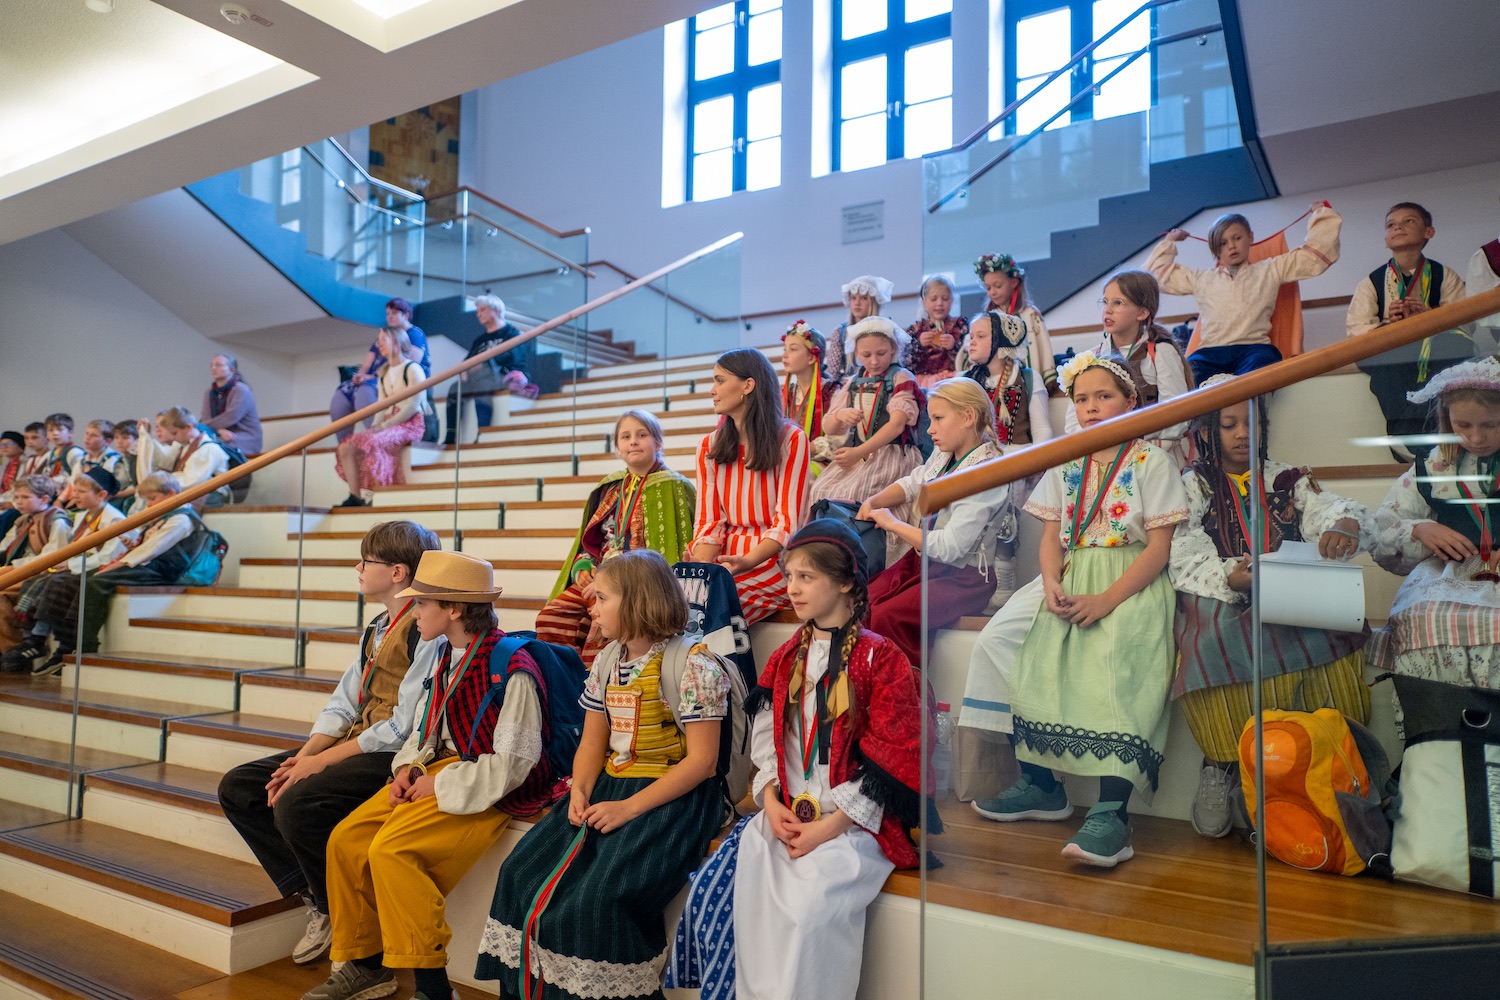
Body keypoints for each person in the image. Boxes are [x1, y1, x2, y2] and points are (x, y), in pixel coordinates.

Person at [665, 519, 924, 1000]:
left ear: (846, 582)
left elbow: (892, 759)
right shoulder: (786, 657)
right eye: (788, 577)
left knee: (809, 914)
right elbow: (768, 746)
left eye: (806, 577)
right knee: (733, 894)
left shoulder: (880, 659)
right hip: (786, 812)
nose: (792, 588)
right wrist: (769, 799)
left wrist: (827, 828)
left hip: (851, 826)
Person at [966, 352, 1188, 869]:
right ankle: (1042, 784)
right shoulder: (1068, 462)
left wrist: (1108, 600)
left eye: (1104, 396)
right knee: (1007, 645)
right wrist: (1049, 582)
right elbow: (1049, 539)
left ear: (1132, 402)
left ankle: (1114, 811)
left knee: (1121, 662)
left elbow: (1158, 548)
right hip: (1071, 575)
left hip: (1130, 580)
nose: (1091, 408)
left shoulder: (1150, 461)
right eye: (1082, 399)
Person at [307, 550, 562, 1000]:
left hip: (488, 783)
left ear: (455, 609)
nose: (415, 611)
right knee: (345, 841)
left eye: (422, 603)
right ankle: (364, 965)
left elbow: (514, 765)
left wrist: (438, 785)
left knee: (392, 851)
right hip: (440, 766)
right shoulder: (447, 654)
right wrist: (408, 766)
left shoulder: (511, 667)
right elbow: (427, 723)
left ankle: (433, 987)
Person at [477, 549, 729, 1000]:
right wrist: (581, 791)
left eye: (602, 598)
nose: (591, 608)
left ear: (637, 601)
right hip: (612, 784)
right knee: (518, 872)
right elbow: (593, 743)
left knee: (597, 901)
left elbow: (702, 763)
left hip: (672, 795)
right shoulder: (609, 660)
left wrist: (627, 807)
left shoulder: (693, 664)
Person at [218, 521, 441, 966]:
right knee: (241, 787)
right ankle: (318, 899)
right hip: (357, 740)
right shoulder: (378, 624)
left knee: (297, 804)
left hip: (393, 754)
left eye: (366, 561)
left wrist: (320, 764)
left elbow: (406, 726)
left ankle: (350, 922)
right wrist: (304, 756)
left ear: (398, 572)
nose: (357, 568)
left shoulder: (424, 627)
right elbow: (344, 703)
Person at [1168, 376, 1372, 837]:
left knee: (1320, 624)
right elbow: (1184, 548)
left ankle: (1327, 756)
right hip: (1226, 593)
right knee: (1216, 633)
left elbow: (1325, 510)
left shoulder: (1287, 477)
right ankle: (1221, 761)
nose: (1243, 433)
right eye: (1228, 424)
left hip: (1289, 589)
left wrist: (1341, 523)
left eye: (1252, 423)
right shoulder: (1193, 484)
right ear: (1206, 430)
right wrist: (1227, 576)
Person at [858, 378, 1016, 668]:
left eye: (938, 419)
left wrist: (892, 523)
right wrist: (875, 501)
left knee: (889, 615)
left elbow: (950, 548)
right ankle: (870, 688)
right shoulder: (946, 453)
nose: (930, 429)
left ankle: (906, 696)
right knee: (863, 600)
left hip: (964, 578)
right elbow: (914, 482)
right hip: (927, 566)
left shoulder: (986, 474)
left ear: (968, 417)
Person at [1370, 356, 1500, 697]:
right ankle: (1443, 720)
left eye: (1491, 425)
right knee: (1422, 617)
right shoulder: (1433, 466)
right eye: (1463, 425)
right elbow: (1380, 528)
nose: (1476, 437)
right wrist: (1418, 529)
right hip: (1449, 573)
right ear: (1447, 419)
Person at [535, 410, 695, 666]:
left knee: (598, 632)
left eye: (642, 435)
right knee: (551, 617)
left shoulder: (674, 486)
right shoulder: (611, 487)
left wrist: (607, 580)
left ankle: (597, 688)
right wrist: (584, 568)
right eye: (626, 436)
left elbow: (671, 552)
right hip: (599, 575)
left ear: (658, 443)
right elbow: (592, 540)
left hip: (636, 583)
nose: (633, 441)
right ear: (618, 448)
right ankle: (568, 681)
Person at [1150, 202, 1341, 382]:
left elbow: (1312, 257)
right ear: (1216, 249)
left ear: (1250, 237)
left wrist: (1321, 214)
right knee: (1188, 374)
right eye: (1223, 243)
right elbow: (1155, 275)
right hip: (1211, 351)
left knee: (1263, 366)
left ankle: (1249, 417)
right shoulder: (1202, 279)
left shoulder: (1270, 269)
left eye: (1237, 238)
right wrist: (1170, 241)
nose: (1231, 246)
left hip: (1254, 350)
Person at [690, 348, 811, 625]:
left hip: (775, 562)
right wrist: (700, 568)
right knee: (683, 603)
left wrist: (745, 562)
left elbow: (786, 524)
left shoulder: (791, 439)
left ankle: (715, 669)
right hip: (723, 561)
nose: (712, 390)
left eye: (720, 380)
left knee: (714, 608)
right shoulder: (708, 446)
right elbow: (708, 524)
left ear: (748, 385)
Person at [1347, 203, 1472, 459]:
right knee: (1388, 364)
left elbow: (1466, 320)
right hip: (1391, 346)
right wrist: (1390, 326)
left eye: (1409, 222)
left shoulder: (1443, 275)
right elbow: (1357, 329)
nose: (1398, 227)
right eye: (1391, 225)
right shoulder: (1372, 281)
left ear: (1429, 232)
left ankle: (1423, 433)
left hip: (1434, 344)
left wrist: (1429, 318)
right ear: (1386, 239)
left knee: (1456, 347)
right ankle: (1409, 436)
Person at [51, 472, 216, 656]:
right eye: (147, 500)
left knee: (95, 582)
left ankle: (86, 645)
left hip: (164, 570)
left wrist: (118, 564)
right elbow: (147, 545)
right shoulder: (167, 514)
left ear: (170, 493)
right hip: (150, 564)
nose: (149, 504)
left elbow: (153, 549)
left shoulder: (181, 519)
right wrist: (134, 545)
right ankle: (70, 636)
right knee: (86, 577)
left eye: (152, 498)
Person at [9, 468, 135, 677]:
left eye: (81, 492)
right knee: (40, 580)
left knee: (59, 583)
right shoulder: (83, 516)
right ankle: (34, 639)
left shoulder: (114, 519)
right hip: (79, 565)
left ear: (101, 495)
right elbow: (76, 547)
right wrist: (66, 561)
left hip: (100, 569)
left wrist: (71, 566)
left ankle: (64, 647)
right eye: (74, 491)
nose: (74, 496)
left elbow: (108, 556)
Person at [1064, 270, 1192, 458]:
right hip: (1102, 455)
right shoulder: (1090, 358)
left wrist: (1134, 449)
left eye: (1118, 303)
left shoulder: (1160, 352)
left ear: (1142, 312)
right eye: (1105, 302)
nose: (1108, 310)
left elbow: (1177, 417)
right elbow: (1073, 424)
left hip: (1151, 455)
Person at [808, 318, 923, 523]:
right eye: (866, 355)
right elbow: (828, 427)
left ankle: (867, 545)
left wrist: (859, 452)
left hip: (892, 454)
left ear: (893, 349)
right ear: (857, 354)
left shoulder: (901, 377)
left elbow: (897, 425)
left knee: (861, 491)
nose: (874, 361)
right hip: (860, 456)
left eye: (881, 353)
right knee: (821, 488)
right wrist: (840, 416)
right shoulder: (854, 381)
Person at [334, 326, 429, 508]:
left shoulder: (413, 369)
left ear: (397, 341)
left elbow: (413, 405)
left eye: (384, 339)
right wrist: (376, 426)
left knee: (373, 442)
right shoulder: (384, 373)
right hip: (389, 422)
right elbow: (381, 406)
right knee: (346, 446)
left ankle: (381, 493)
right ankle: (355, 496)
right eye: (379, 341)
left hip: (409, 424)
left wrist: (385, 426)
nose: (380, 345)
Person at [331, 298, 431, 443]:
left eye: (394, 313)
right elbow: (367, 364)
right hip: (378, 376)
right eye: (387, 313)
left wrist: (382, 426)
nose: (389, 316)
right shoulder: (382, 346)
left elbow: (409, 361)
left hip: (390, 382)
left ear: (406, 315)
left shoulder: (414, 336)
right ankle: (344, 442)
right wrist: (360, 375)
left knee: (365, 390)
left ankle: (376, 435)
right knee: (344, 390)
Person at [444, 294, 537, 444]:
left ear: (496, 310)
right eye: (477, 311)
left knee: (484, 377)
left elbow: (513, 357)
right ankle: (451, 435)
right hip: (480, 378)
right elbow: (467, 361)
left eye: (483, 310)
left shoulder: (511, 332)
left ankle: (483, 431)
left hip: (503, 376)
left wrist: (486, 362)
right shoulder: (480, 340)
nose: (478, 314)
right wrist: (464, 371)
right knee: (455, 388)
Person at [0, 475, 69, 670]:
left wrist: (15, 567)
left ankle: (12, 650)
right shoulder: (23, 521)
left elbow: (53, 557)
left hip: (41, 573)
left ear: (45, 499)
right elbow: (5, 548)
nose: (19, 501)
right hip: (19, 569)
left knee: (1, 593)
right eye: (17, 497)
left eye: (25, 497)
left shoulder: (57, 521)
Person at [961, 310, 1053, 448]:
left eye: (980, 336)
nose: (972, 342)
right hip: (981, 462)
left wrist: (1036, 465)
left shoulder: (1027, 378)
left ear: (1001, 340)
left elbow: (1042, 431)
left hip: (1019, 461)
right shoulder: (967, 381)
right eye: (971, 337)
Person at [974, 252, 1057, 393]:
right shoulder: (988, 319)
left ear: (1014, 282)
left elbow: (1042, 346)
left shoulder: (1030, 314)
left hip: (1028, 384)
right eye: (988, 288)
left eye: (998, 286)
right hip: (996, 385)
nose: (993, 292)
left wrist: (1048, 377)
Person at [137, 407, 231, 508]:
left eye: (174, 433)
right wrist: (148, 438)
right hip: (194, 491)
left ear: (188, 427)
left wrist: (160, 484)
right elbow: (166, 461)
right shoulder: (184, 445)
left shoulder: (209, 448)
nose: (173, 438)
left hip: (213, 496)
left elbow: (191, 481)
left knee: (162, 501)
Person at [780, 320, 834, 475]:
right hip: (790, 458)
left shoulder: (831, 392)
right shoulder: (785, 394)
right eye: (784, 349)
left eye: (793, 349)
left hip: (821, 462)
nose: (785, 354)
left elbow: (838, 441)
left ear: (811, 358)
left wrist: (806, 447)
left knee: (798, 475)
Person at [903, 275, 968, 388]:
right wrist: (919, 345)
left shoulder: (959, 325)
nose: (939, 303)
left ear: (952, 300)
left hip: (952, 381)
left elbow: (969, 355)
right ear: (924, 302)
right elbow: (906, 362)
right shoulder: (915, 330)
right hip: (923, 383)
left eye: (945, 298)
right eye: (933, 299)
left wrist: (955, 346)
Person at [830, 275, 895, 386]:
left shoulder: (886, 329)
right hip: (850, 387)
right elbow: (832, 371)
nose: (857, 303)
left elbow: (895, 362)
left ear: (874, 302)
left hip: (882, 385)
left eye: (864, 298)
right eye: (853, 298)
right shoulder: (840, 332)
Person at [201, 353, 264, 456]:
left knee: (208, 444)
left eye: (218, 365)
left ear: (232, 370)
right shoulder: (209, 392)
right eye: (211, 365)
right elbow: (205, 418)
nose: (213, 368)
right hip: (220, 434)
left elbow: (231, 417)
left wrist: (204, 427)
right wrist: (219, 431)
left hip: (243, 437)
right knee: (199, 441)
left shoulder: (241, 389)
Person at [38, 413, 85, 491]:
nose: (55, 433)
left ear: (70, 432)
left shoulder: (74, 452)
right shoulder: (50, 454)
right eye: (50, 430)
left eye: (60, 430)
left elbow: (79, 478)